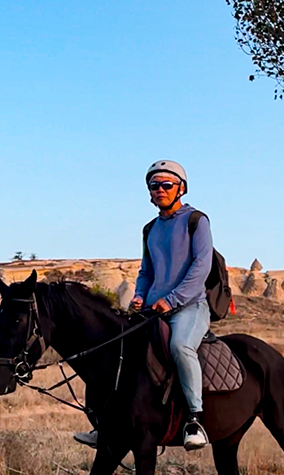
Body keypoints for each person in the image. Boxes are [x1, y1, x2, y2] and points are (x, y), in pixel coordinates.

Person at [75, 160, 211, 451]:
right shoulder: (150, 229)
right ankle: (105, 425)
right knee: (115, 351)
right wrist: (139, 295)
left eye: (166, 185)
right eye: (154, 186)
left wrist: (172, 299)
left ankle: (194, 420)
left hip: (189, 307)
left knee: (180, 348)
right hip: (153, 309)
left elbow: (201, 267)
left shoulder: (197, 221)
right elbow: (147, 271)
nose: (160, 190)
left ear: (181, 188)